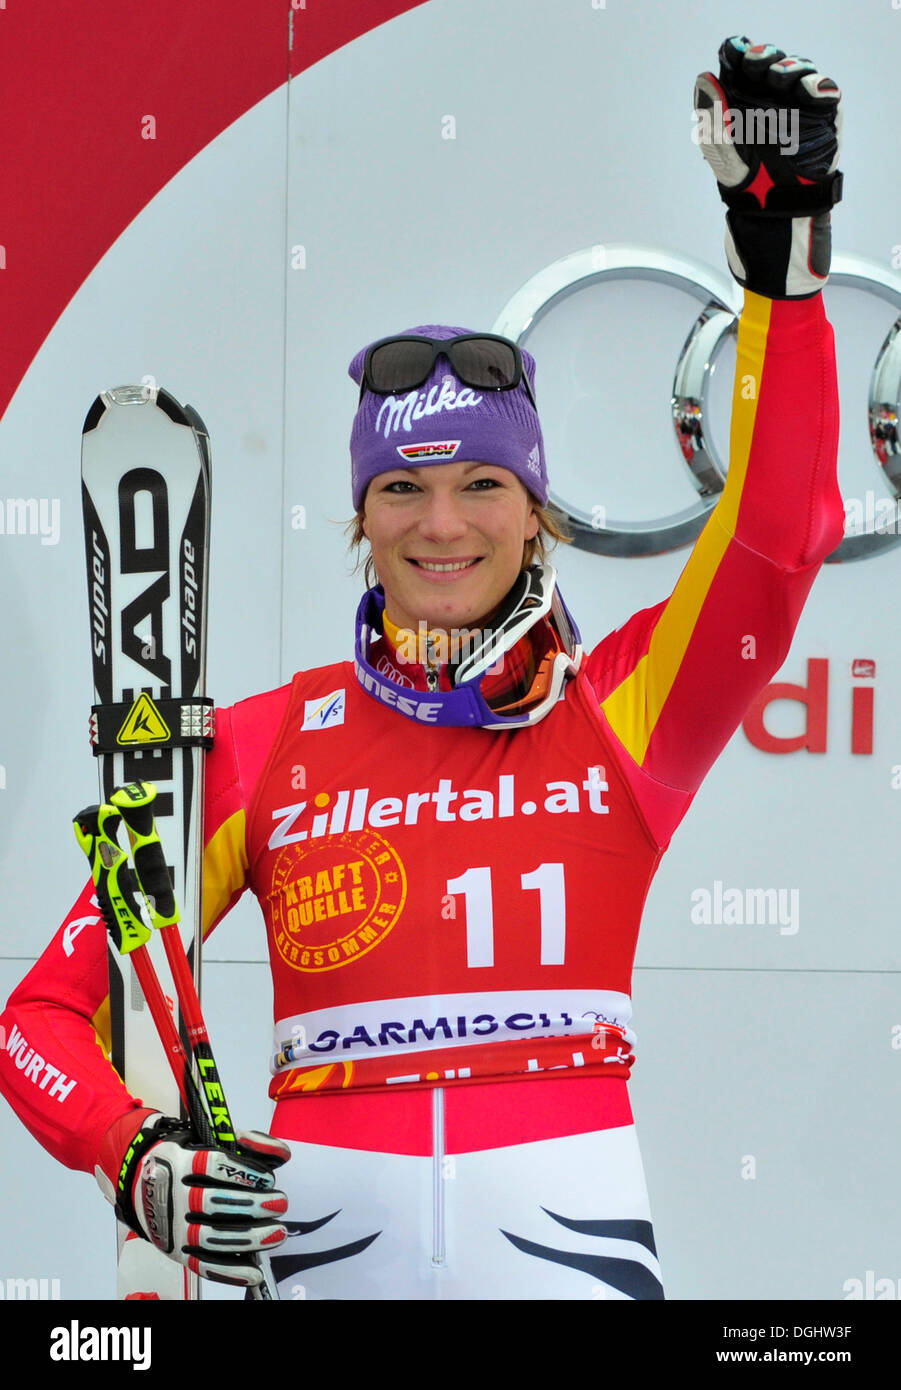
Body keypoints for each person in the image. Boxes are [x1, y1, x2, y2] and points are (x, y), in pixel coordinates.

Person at [0, 37, 845, 1300]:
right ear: (359, 516)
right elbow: (38, 1023)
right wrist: (135, 1157)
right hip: (330, 1265)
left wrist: (783, 270)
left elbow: (775, 532)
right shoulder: (260, 743)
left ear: (536, 508)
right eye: (400, 488)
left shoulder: (624, 707)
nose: (439, 525)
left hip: (578, 1260)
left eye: (479, 487)